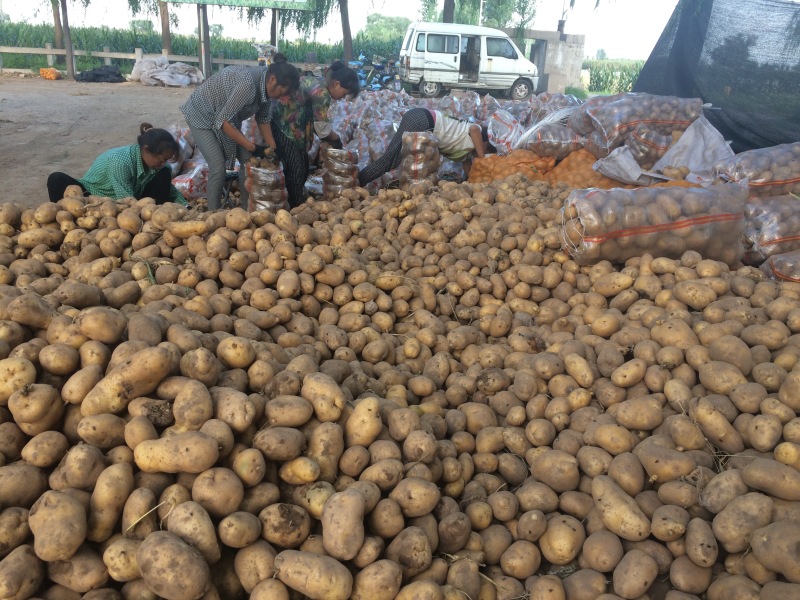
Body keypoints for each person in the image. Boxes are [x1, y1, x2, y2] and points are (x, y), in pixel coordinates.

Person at [181, 56, 300, 211]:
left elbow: (263, 118)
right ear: (272, 79)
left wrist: (272, 146)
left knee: (248, 162)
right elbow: (223, 122)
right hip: (201, 114)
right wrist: (252, 147)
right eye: (281, 92)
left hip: (225, 117)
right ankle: (212, 216)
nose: (281, 97)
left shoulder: (266, 89)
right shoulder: (248, 85)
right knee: (217, 167)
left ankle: (247, 211)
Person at [271, 61, 360, 207]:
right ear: (336, 84)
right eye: (345, 93)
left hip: (291, 127)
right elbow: (322, 129)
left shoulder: (318, 83)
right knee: (296, 172)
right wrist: (336, 139)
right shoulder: (322, 93)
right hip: (285, 127)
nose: (344, 98)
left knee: (303, 168)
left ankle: (294, 203)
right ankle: (295, 207)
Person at [47, 123, 185, 204]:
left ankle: (155, 216)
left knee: (164, 175)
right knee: (56, 179)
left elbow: (170, 190)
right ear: (146, 150)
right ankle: (61, 215)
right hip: (92, 196)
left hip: (130, 200)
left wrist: (186, 207)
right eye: (161, 159)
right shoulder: (120, 161)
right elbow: (126, 199)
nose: (163, 163)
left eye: (166, 160)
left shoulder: (161, 167)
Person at [358, 107, 494, 186]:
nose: (479, 153)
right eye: (485, 149)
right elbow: (475, 129)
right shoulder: (475, 131)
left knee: (404, 163)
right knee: (389, 161)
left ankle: (358, 180)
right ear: (485, 144)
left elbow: (467, 167)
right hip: (423, 120)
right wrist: (483, 157)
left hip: (421, 117)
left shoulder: (465, 153)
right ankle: (357, 181)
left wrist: (472, 182)